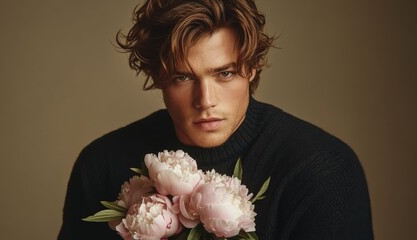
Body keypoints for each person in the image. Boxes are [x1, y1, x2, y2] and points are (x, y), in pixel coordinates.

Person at [58, 0, 373, 239]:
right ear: (158, 77)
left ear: (250, 69)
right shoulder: (102, 163)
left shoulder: (322, 170)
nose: (205, 100)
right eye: (183, 77)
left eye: (224, 73)